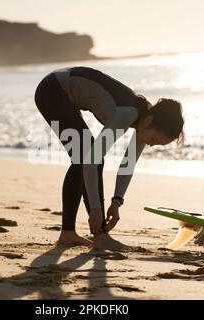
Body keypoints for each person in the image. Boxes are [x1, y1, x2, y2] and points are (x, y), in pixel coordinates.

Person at [34, 66, 184, 251]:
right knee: (88, 157)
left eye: (156, 144)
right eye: (153, 140)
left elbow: (128, 165)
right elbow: (91, 160)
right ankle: (100, 236)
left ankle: (68, 233)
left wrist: (116, 203)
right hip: (52, 90)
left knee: (84, 157)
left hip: (64, 94)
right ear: (149, 121)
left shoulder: (143, 120)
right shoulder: (126, 114)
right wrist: (96, 209)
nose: (151, 145)